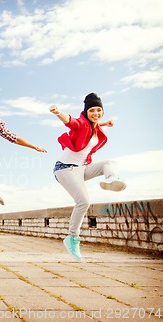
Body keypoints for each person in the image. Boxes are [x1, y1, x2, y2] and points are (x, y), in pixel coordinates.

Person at [50, 93, 126, 261]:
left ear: (103, 112)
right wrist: (58, 113)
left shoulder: (96, 128)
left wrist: (105, 123)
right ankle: (72, 238)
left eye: (99, 110)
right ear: (85, 112)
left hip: (81, 168)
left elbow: (96, 126)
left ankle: (111, 179)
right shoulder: (82, 124)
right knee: (83, 201)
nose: (96, 113)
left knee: (110, 162)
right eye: (92, 110)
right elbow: (71, 122)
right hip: (64, 169)